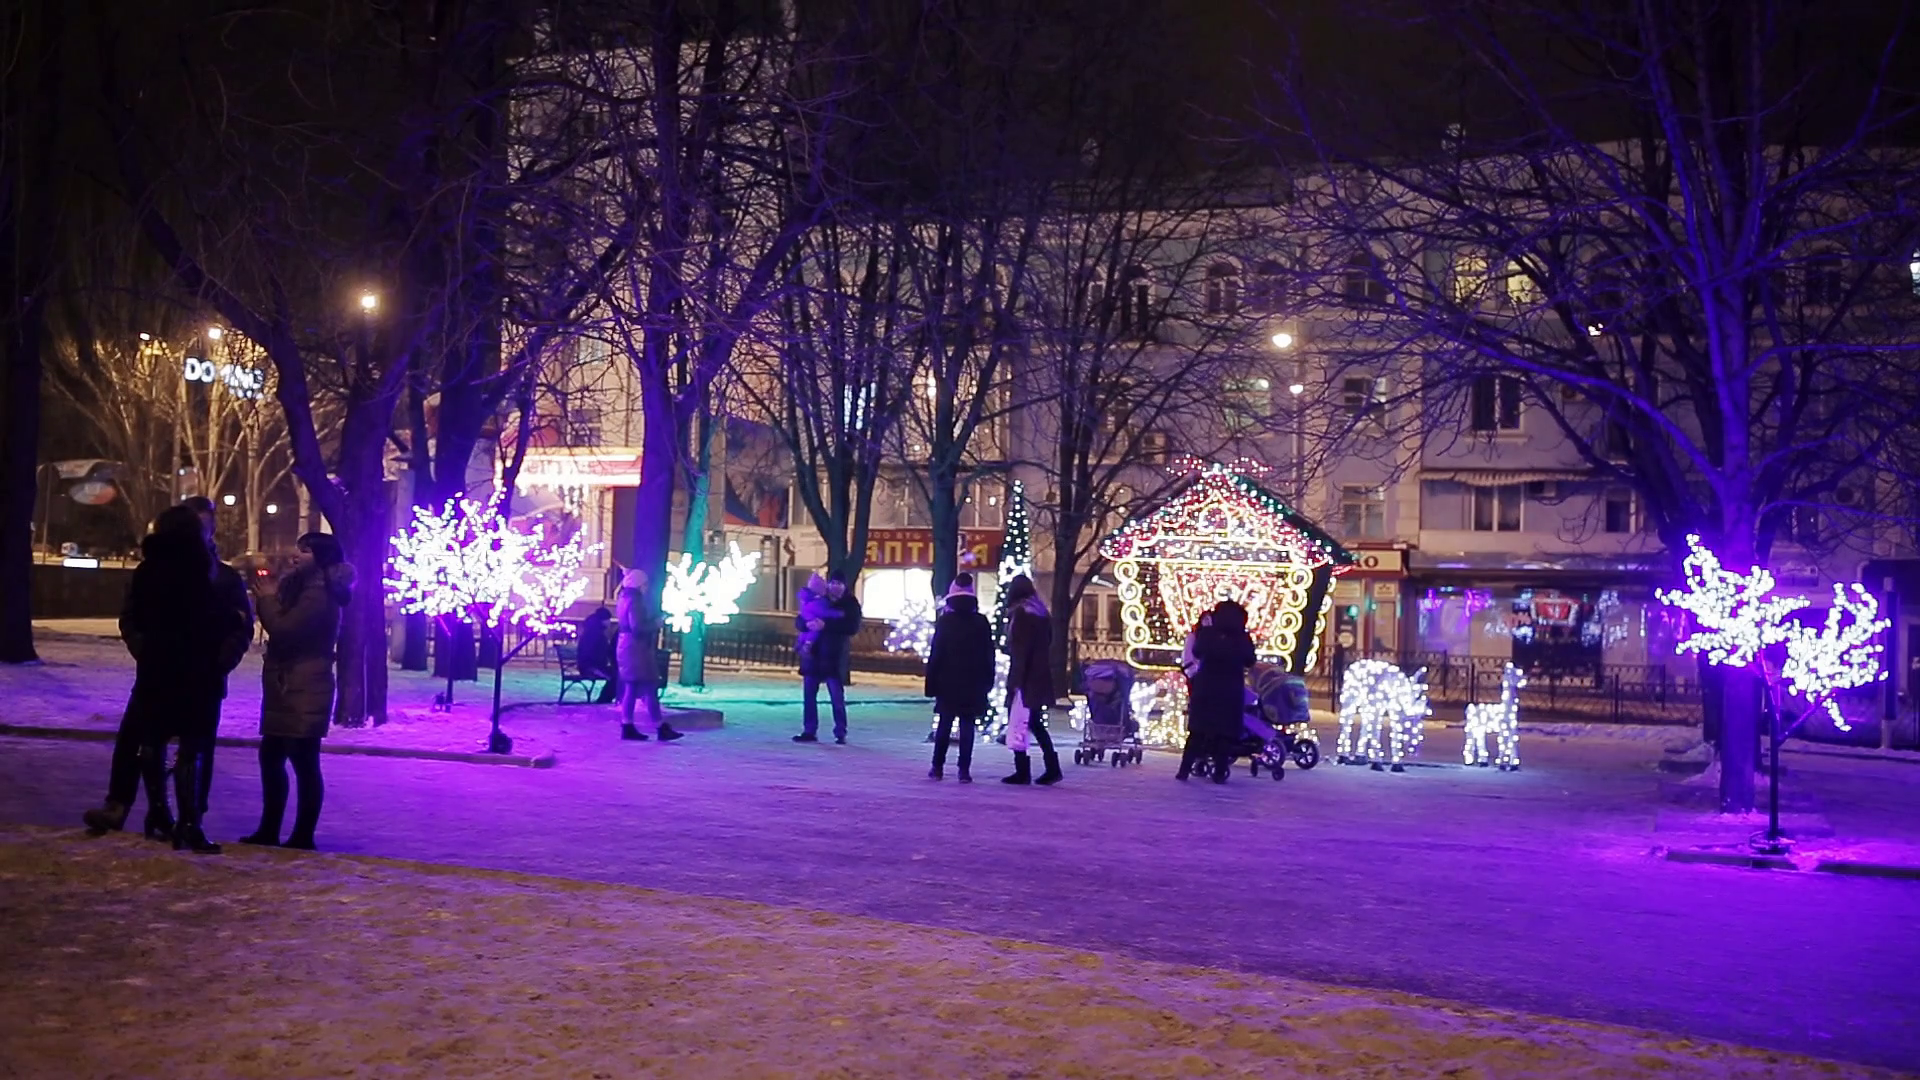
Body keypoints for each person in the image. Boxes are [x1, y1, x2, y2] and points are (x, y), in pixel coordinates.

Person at [83, 500, 250, 842]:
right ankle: (166, 815)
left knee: (173, 743)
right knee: (162, 741)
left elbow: (235, 627)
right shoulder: (189, 572)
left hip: (180, 669)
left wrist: (224, 657)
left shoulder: (216, 574)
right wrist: (145, 648)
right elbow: (142, 618)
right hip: (183, 669)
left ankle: (182, 814)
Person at [239, 532, 355, 850]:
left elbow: (284, 629)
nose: (295, 555)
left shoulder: (318, 595)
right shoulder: (304, 587)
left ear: (320, 557)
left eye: (304, 551)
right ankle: (271, 830)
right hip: (290, 682)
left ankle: (301, 835)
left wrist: (266, 599)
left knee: (302, 759)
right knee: (275, 755)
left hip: (304, 683)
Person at [1178, 601, 1258, 784]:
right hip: (1231, 688)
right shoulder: (1242, 637)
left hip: (1206, 686)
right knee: (1225, 733)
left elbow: (1197, 652)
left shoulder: (1208, 633)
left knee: (1197, 731)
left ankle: (1184, 769)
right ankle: (1220, 771)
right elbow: (1249, 660)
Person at [924, 573, 993, 782]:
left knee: (945, 723)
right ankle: (964, 770)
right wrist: (987, 681)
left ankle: (937, 767)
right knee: (967, 725)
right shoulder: (981, 622)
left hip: (947, 682)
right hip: (973, 683)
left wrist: (931, 683)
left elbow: (936, 653)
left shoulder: (945, 622)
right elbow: (988, 655)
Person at [1000, 574, 1063, 786]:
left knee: (1020, 722)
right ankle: (1051, 767)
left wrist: (1015, 682)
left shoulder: (1021, 615)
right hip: (1039, 675)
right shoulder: (1040, 612)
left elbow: (1020, 650)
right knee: (1035, 723)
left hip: (1025, 679)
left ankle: (1024, 770)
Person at [794, 568, 861, 744]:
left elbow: (852, 627)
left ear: (845, 586)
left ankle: (840, 731)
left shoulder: (850, 604)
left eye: (839, 583)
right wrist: (807, 624)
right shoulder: (819, 598)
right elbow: (801, 618)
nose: (835, 586)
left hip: (834, 656)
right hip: (814, 655)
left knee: (836, 697)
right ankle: (809, 730)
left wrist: (825, 625)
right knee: (809, 695)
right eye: (832, 582)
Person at [616, 569, 682, 742]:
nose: (647, 587)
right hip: (637, 650)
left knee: (631, 687)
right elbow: (638, 627)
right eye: (645, 584)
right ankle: (660, 726)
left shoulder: (623, 598)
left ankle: (627, 725)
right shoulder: (635, 600)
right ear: (639, 584)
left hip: (626, 647)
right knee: (650, 686)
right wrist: (657, 623)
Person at [577, 606, 617, 705]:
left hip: (590, 665)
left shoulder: (593, 631)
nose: (609, 622)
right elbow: (599, 652)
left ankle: (605, 699)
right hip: (591, 667)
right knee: (617, 676)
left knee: (617, 675)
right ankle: (604, 700)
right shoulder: (596, 633)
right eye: (608, 619)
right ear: (602, 620)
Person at [792, 573, 832, 672]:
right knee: (813, 633)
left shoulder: (806, 601)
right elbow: (825, 613)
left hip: (820, 651)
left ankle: (801, 644)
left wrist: (805, 623)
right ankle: (806, 645)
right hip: (820, 645)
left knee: (806, 633)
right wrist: (837, 614)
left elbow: (800, 619)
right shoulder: (820, 602)